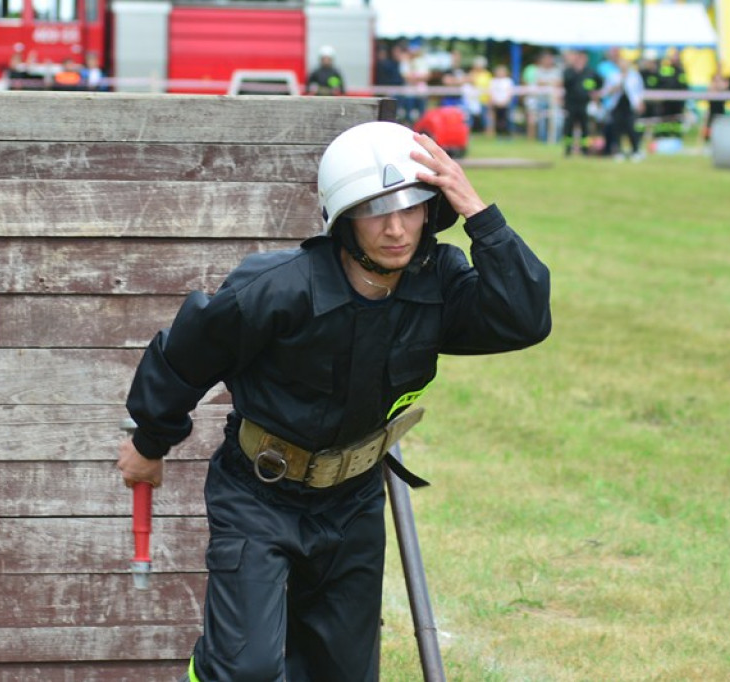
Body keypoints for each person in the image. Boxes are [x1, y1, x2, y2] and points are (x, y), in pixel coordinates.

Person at [117, 121, 552, 682]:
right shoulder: (275, 288)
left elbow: (525, 317)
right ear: (343, 221)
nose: (396, 229)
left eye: (412, 208)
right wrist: (150, 443)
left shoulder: (440, 283)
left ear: (432, 210)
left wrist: (478, 212)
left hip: (354, 501)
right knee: (244, 669)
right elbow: (185, 357)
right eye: (376, 212)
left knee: (342, 674)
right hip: (259, 495)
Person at [603, 56, 645, 161]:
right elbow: (606, 91)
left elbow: (639, 91)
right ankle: (618, 151)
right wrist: (614, 88)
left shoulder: (635, 76)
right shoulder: (613, 76)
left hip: (630, 106)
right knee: (616, 129)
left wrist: (640, 103)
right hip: (617, 106)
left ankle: (636, 150)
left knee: (631, 128)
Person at [561, 50, 600, 156]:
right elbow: (565, 83)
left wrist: (595, 94)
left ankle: (585, 149)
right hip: (571, 103)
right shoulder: (569, 71)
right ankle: (568, 149)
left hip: (584, 103)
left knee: (585, 127)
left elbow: (598, 84)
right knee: (569, 127)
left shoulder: (590, 72)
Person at [488, 63, 515, 138]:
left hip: (505, 104)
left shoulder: (508, 81)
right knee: (497, 120)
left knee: (506, 119)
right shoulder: (493, 81)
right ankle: (497, 133)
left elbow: (510, 93)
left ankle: (506, 133)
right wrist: (495, 102)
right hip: (496, 103)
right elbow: (491, 93)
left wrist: (505, 102)